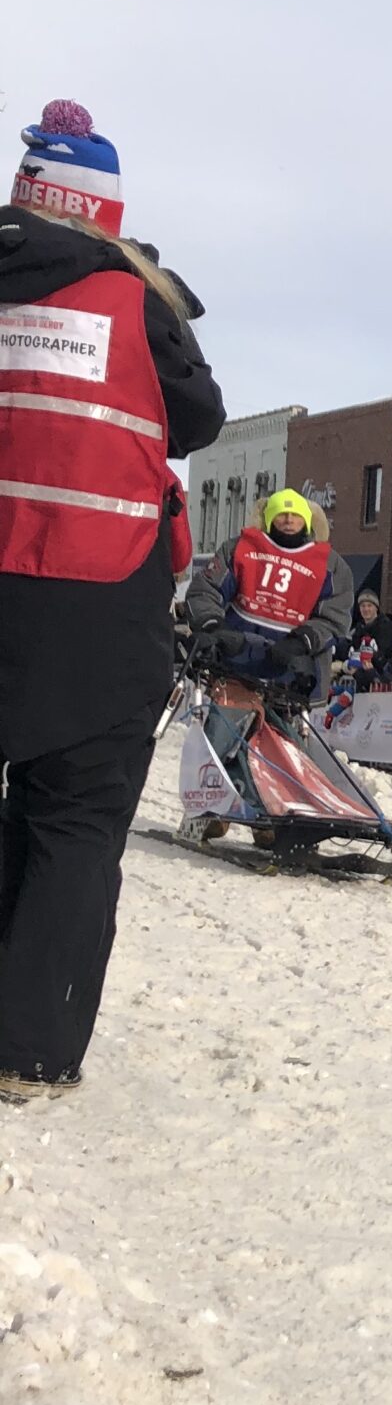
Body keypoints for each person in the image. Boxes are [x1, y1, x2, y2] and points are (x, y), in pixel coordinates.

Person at [0, 99, 225, 1097]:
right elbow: (199, 419)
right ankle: (30, 1049)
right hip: (95, 602)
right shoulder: (135, 303)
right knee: (74, 828)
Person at [186, 488, 353, 700]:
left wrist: (301, 642)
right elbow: (205, 590)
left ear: (308, 521)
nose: (289, 520)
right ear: (269, 518)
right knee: (224, 729)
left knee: (284, 733)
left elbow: (335, 616)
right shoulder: (240, 549)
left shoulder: (331, 565)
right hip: (234, 662)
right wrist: (213, 627)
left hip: (291, 673)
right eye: (281, 514)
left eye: (296, 516)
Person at [347, 586, 392, 675]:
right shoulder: (358, 628)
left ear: (376, 608)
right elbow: (353, 648)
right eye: (363, 606)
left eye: (369, 606)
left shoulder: (385, 627)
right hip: (358, 669)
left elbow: (385, 654)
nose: (366, 609)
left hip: (382, 674)